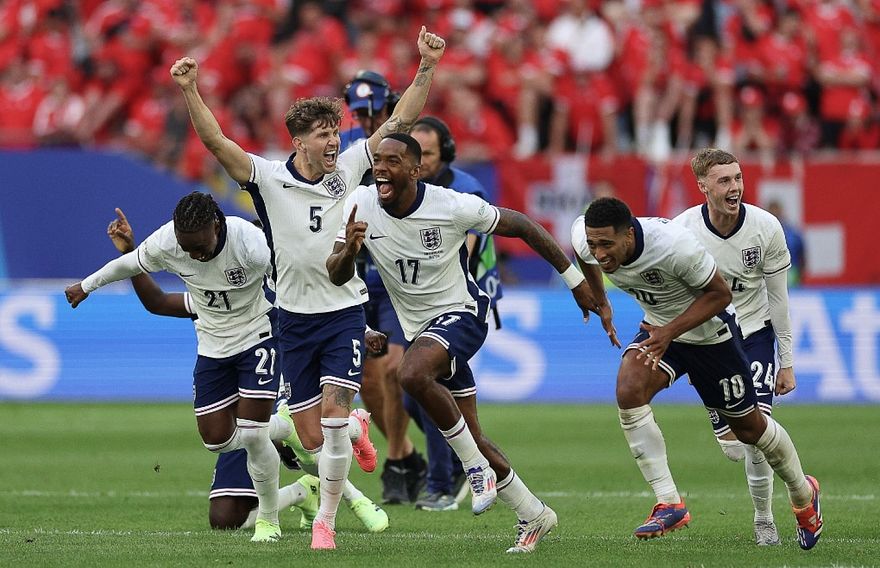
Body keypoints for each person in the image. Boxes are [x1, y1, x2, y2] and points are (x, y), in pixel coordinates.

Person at [171, 26, 446, 550]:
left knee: (332, 422)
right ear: (299, 142)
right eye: (322, 135)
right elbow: (216, 143)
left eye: (335, 132)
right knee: (312, 435)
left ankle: (326, 524)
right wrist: (190, 90)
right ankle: (358, 429)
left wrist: (426, 66)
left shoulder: (351, 166)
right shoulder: (268, 178)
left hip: (344, 311)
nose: (333, 141)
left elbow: (400, 122)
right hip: (291, 321)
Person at [327, 134, 615, 553]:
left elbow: (523, 226)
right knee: (470, 433)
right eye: (378, 161)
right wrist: (349, 251)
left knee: (410, 374)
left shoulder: (450, 205)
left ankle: (474, 470)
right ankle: (533, 512)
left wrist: (574, 281)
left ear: (415, 170)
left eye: (393, 161)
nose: (381, 169)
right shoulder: (361, 203)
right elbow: (335, 273)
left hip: (462, 313)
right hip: (421, 329)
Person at [100, 206, 390, 534]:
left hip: (285, 395)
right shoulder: (220, 294)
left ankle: (348, 489)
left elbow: (332, 314)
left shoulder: (287, 294)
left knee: (308, 440)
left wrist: (365, 331)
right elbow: (159, 302)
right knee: (225, 519)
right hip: (245, 412)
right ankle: (305, 490)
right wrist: (131, 255)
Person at [570, 196, 823, 550]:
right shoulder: (587, 238)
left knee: (749, 431)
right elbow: (583, 255)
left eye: (606, 245)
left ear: (629, 235)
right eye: (594, 244)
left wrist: (670, 331)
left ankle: (803, 492)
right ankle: (669, 502)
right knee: (629, 390)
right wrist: (602, 300)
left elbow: (720, 296)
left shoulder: (675, 247)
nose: (599, 253)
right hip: (661, 331)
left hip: (711, 336)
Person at [65, 192, 289, 543]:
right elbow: (137, 274)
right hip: (213, 351)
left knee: (254, 433)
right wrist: (86, 286)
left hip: (258, 337)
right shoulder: (170, 245)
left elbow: (293, 284)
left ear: (216, 226)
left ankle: (269, 521)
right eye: (187, 249)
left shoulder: (251, 245)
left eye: (200, 247)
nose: (194, 256)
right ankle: (286, 429)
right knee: (217, 441)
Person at [674, 148, 799, 545]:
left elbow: (779, 298)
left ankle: (764, 520)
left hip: (755, 333)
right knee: (733, 449)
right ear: (703, 186)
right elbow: (673, 297)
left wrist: (786, 361)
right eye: (724, 180)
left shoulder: (765, 228)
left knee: (755, 435)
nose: (735, 187)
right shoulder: (682, 231)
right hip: (709, 339)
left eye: (738, 178)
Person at [408, 116, 504, 511]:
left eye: (428, 153)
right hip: (425, 302)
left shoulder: (466, 189)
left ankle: (442, 484)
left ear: (445, 152)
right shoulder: (408, 189)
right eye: (415, 153)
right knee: (413, 396)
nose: (420, 162)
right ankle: (465, 457)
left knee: (427, 384)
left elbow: (464, 250)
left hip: (463, 298)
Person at [341, 69, 428, 505]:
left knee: (395, 369)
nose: (365, 119)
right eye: (358, 112)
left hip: (394, 273)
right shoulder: (344, 149)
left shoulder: (401, 147)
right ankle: (407, 453)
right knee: (368, 383)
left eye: (371, 110)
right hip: (353, 274)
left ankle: (394, 462)